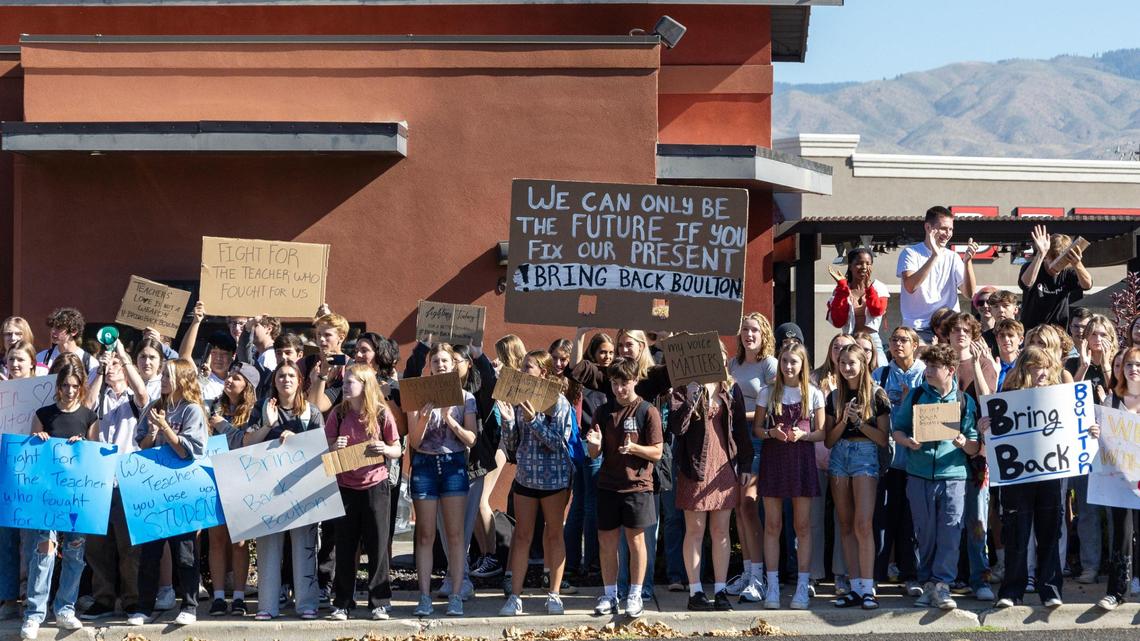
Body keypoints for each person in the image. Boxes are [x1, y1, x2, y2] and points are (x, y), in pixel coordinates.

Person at [891, 343, 981, 611]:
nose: (928, 371)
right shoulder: (917, 395)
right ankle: (927, 582)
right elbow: (898, 430)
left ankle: (942, 584)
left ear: (950, 370)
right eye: (927, 366)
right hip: (919, 475)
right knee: (925, 532)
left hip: (953, 476)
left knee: (951, 532)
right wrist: (909, 442)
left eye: (934, 367)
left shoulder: (964, 401)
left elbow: (975, 445)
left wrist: (965, 442)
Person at [19, 361, 98, 640]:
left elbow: (94, 457)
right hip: (46, 498)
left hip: (77, 499)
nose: (70, 390)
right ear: (58, 386)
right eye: (65, 385)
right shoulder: (43, 414)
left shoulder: (89, 417)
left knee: (75, 554)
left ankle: (65, 608)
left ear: (82, 387)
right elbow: (29, 457)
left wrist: (85, 446)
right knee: (43, 554)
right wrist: (37, 438)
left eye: (75, 386)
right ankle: (34, 614)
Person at [981, 347, 1066, 608]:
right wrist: (984, 428)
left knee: (1049, 533)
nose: (1040, 372)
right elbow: (994, 437)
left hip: (1051, 474)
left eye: (1045, 366)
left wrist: (1090, 429)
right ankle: (1011, 591)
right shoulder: (1007, 398)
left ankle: (1050, 590)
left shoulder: (1060, 397)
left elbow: (1074, 430)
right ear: (1024, 368)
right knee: (1016, 534)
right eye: (1034, 366)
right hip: (1017, 478)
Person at [671, 348, 753, 611]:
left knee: (720, 531)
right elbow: (676, 427)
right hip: (694, 465)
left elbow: (741, 429)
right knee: (694, 531)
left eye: (716, 352)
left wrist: (746, 464)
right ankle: (695, 592)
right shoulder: (685, 387)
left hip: (724, 465)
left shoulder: (731, 388)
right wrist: (693, 396)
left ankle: (719, 590)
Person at [128, 359, 209, 627]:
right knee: (150, 551)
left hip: (181, 490)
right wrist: (152, 432)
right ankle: (144, 607)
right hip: (154, 490)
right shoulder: (155, 407)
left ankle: (188, 605)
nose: (163, 379)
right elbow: (142, 444)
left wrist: (164, 427)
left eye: (168, 375)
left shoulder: (192, 410)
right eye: (162, 375)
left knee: (184, 551)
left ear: (182, 380)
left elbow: (189, 451)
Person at [583, 357, 664, 619]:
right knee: (606, 542)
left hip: (637, 486)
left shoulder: (647, 411)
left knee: (636, 541)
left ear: (635, 381)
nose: (620, 389)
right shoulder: (604, 412)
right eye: (616, 383)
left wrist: (635, 448)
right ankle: (609, 595)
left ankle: (635, 594)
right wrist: (594, 444)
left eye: (625, 383)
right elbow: (595, 454)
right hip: (608, 485)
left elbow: (657, 452)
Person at [323, 364, 401, 621]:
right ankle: (343, 602)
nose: (345, 386)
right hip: (345, 486)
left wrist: (384, 449)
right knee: (345, 546)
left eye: (350, 382)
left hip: (375, 486)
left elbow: (397, 448)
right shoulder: (338, 413)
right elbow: (324, 450)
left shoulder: (381, 413)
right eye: (345, 381)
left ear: (365, 385)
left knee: (378, 544)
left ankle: (380, 601)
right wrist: (334, 445)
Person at [499, 350, 575, 616]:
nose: (522, 371)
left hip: (554, 479)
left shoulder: (559, 402)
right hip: (526, 478)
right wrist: (509, 423)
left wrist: (535, 420)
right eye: (522, 366)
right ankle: (515, 598)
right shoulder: (518, 400)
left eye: (528, 367)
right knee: (522, 535)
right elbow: (512, 449)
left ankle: (554, 595)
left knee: (554, 534)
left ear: (543, 372)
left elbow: (558, 443)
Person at [82, 340, 151, 621]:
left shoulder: (132, 399)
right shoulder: (99, 394)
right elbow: (86, 406)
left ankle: (132, 599)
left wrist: (123, 355)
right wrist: (99, 371)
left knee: (130, 546)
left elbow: (143, 393)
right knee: (97, 545)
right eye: (106, 364)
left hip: (127, 479)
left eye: (114, 366)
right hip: (98, 478)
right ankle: (104, 599)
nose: (110, 369)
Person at [408, 343, 478, 618]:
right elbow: (413, 441)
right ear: (430, 366)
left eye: (445, 361)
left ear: (454, 365)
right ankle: (424, 596)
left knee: (455, 534)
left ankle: (456, 595)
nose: (440, 365)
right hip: (424, 464)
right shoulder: (417, 393)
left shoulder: (465, 397)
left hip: (453, 464)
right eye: (435, 361)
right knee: (426, 534)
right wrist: (424, 417)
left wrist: (451, 421)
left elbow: (472, 439)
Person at [754, 343, 825, 610]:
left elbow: (822, 433)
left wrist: (803, 435)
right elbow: (758, 429)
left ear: (802, 364)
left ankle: (801, 587)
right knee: (772, 525)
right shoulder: (768, 392)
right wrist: (772, 433)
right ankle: (772, 587)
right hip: (774, 460)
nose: (788, 366)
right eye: (784, 361)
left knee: (802, 526)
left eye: (794, 361)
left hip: (802, 461)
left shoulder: (813, 394)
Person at [824, 344, 890, 609]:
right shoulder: (834, 396)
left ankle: (867, 587)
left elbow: (883, 439)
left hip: (865, 454)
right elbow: (828, 441)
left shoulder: (877, 394)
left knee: (863, 524)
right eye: (842, 363)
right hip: (839, 454)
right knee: (846, 523)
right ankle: (854, 586)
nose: (847, 368)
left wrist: (860, 422)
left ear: (863, 364)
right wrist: (843, 420)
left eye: (852, 362)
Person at [725, 312, 777, 602]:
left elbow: (774, 406)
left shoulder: (769, 366)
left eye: (755, 330)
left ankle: (759, 576)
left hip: (757, 440)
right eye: (745, 329)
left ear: (764, 334)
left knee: (749, 504)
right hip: (732, 440)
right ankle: (747, 571)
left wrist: (736, 414)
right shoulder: (732, 364)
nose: (749, 334)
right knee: (738, 509)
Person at [871, 327, 925, 597]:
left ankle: (910, 574)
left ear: (915, 344)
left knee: (910, 521)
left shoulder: (925, 373)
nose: (897, 344)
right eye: (893, 340)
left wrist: (907, 405)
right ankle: (877, 575)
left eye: (904, 340)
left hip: (916, 459)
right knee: (882, 519)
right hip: (887, 459)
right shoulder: (880, 374)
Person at [204, 363, 260, 616]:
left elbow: (245, 441)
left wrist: (221, 426)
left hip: (241, 480)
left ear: (247, 385)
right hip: (214, 478)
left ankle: (238, 595)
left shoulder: (254, 411)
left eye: (236, 378)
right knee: (216, 539)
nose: (229, 380)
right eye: (229, 376)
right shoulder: (213, 406)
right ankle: (217, 596)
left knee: (239, 541)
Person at [1066, 314, 1117, 585]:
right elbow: (1066, 398)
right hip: (1084, 445)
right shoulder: (1074, 363)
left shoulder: (1121, 363)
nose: (1097, 340)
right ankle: (1090, 565)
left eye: (1102, 334)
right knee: (1086, 509)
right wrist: (1083, 368)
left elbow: (1121, 399)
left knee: (1114, 510)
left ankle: (1116, 564)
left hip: (1115, 450)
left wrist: (1107, 367)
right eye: (1092, 335)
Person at [558, 332, 612, 585]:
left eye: (611, 353)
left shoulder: (593, 378)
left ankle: (570, 563)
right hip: (589, 444)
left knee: (579, 503)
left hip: (580, 443)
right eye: (603, 352)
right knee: (590, 504)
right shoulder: (595, 381)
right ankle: (590, 562)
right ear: (593, 352)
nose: (608, 357)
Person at [1089, 346, 1140, 610]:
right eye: (1129, 365)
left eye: (1138, 365)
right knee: (1122, 533)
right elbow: (1103, 440)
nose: (1133, 369)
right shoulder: (1112, 401)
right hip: (1120, 481)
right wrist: (1096, 431)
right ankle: (1117, 591)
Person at [811, 333, 855, 592]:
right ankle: (814, 573)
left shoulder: (856, 382)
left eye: (845, 347)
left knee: (843, 518)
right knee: (813, 518)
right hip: (817, 457)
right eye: (835, 346)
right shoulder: (814, 379)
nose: (839, 351)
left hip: (846, 460)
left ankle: (842, 572)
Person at [896, 206, 979, 343]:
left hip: (949, 328)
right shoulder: (910, 253)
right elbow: (911, 286)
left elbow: (969, 294)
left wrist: (968, 262)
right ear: (928, 228)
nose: (948, 233)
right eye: (943, 228)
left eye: (951, 229)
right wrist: (935, 256)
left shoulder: (953, 257)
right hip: (918, 329)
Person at [0, 342, 38, 621]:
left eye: (21, 360)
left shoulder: (44, 396)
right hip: (4, 476)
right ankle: (9, 598)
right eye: (11, 360)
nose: (15, 364)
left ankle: (32, 598)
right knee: (6, 541)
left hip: (34, 479)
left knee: (33, 541)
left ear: (32, 365)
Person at [1019, 224, 1093, 330]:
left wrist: (1077, 264)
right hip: (1032, 329)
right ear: (1046, 257)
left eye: (1062, 262)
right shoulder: (1031, 267)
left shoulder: (1068, 272)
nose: (1057, 267)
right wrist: (1040, 253)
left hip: (1059, 331)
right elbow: (1026, 284)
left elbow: (1087, 285)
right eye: (1053, 261)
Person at [826, 248, 890, 367]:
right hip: (849, 340)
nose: (864, 267)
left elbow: (877, 310)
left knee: (881, 370)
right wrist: (843, 289)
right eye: (859, 263)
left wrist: (868, 287)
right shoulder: (841, 290)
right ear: (850, 266)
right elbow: (838, 321)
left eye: (868, 263)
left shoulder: (879, 287)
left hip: (871, 340)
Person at [36, 307, 98, 378]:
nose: (53, 331)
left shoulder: (89, 363)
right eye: (52, 327)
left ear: (74, 331)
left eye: (59, 328)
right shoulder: (42, 358)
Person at [981, 291, 1019, 358]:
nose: (1001, 310)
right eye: (996, 306)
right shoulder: (984, 339)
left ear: (1015, 309)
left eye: (1005, 305)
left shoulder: (1028, 335)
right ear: (990, 310)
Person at [994, 319, 1024, 393]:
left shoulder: (1027, 365)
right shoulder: (992, 365)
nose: (1006, 339)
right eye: (1002, 335)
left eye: (1010, 335)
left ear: (1021, 340)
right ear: (997, 339)